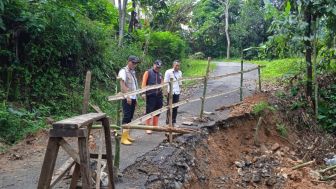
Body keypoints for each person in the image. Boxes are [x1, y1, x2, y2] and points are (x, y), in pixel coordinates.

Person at [118, 55, 140, 145]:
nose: (134, 64)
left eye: (135, 63)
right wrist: (127, 96)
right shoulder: (123, 71)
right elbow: (122, 84)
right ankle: (123, 138)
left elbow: (134, 85)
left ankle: (127, 135)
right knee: (126, 116)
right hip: (127, 97)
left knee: (130, 117)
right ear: (129, 61)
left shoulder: (132, 72)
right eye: (133, 62)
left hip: (133, 97)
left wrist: (135, 98)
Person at [141, 60, 164, 134]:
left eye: (159, 67)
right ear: (153, 65)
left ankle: (155, 126)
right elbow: (143, 83)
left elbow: (162, 83)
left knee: (158, 109)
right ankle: (148, 127)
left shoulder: (160, 74)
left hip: (159, 94)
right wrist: (143, 93)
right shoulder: (148, 72)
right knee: (149, 111)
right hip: (150, 95)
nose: (158, 68)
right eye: (157, 67)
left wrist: (163, 91)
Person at [164, 60, 182, 126]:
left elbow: (180, 82)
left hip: (177, 92)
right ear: (173, 65)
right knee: (169, 107)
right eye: (176, 65)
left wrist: (180, 90)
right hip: (170, 92)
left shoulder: (180, 72)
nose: (178, 67)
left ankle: (173, 122)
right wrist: (165, 91)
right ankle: (168, 122)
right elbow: (165, 82)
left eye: (179, 65)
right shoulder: (168, 72)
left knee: (176, 107)